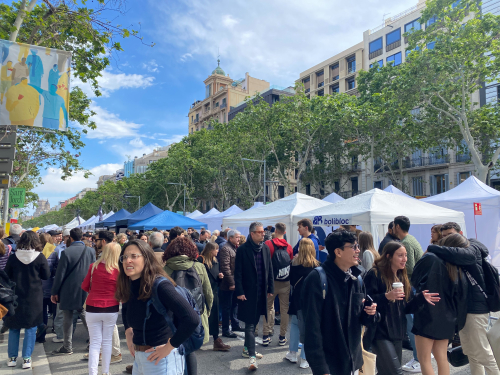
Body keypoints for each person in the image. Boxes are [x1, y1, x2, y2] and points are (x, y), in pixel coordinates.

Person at [427, 222, 500, 375]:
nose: (446, 239)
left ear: (460, 233)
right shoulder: (455, 252)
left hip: (476, 310)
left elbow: (467, 254)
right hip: (466, 311)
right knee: (472, 354)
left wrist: (433, 247)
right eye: (444, 236)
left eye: (450, 235)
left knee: (484, 354)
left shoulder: (471, 247)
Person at [301, 230, 378, 375]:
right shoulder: (317, 279)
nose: (358, 250)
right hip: (330, 363)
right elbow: (312, 328)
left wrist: (370, 313)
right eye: (354, 247)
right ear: (338, 252)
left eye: (358, 246)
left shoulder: (357, 278)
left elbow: (361, 320)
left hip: (353, 361)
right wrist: (321, 368)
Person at [117, 240, 199, 375]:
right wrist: (128, 332)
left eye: (134, 256)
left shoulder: (160, 285)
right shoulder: (129, 282)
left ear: (146, 258)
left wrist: (169, 346)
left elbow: (191, 319)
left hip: (161, 360)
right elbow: (126, 305)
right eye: (124, 257)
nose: (128, 261)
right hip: (139, 357)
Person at [364, 242, 440, 375]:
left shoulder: (402, 276)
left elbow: (407, 307)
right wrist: (386, 296)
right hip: (379, 330)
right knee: (395, 372)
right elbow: (366, 300)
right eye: (400, 255)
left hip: (398, 331)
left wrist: (421, 298)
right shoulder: (375, 274)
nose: (405, 259)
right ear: (388, 256)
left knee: (386, 371)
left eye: (405, 255)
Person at [409, 233, 468, 375]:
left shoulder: (431, 258)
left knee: (424, 360)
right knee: (441, 357)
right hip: (447, 316)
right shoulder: (457, 265)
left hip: (426, 313)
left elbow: (415, 280)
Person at [163, 236, 214, 375]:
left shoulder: (165, 269)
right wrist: (206, 311)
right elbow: (208, 293)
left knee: (172, 349)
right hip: (195, 315)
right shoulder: (199, 266)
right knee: (190, 350)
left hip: (172, 318)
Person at [4, 231, 50, 369]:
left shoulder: (13, 257)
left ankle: (12, 358)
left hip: (15, 296)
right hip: (34, 297)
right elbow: (46, 275)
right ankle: (27, 359)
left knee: (13, 327)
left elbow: (6, 276)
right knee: (31, 327)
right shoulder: (40, 257)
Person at [234, 222, 274, 371]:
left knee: (255, 321)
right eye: (260, 232)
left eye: (263, 232)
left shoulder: (265, 248)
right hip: (247, 294)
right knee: (250, 325)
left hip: (261, 293)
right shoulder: (243, 250)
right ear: (252, 234)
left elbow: (269, 269)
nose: (263, 234)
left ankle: (246, 349)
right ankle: (251, 357)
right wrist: (239, 291)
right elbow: (237, 272)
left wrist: (271, 287)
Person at [51, 228, 96, 356]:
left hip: (68, 289)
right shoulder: (90, 251)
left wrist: (54, 292)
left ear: (70, 238)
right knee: (85, 314)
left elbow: (60, 274)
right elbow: (93, 270)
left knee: (68, 317)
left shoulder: (66, 252)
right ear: (82, 236)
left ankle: (67, 346)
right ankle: (94, 341)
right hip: (85, 288)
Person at [81, 242, 121, 375]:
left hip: (92, 307)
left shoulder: (93, 267)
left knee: (94, 342)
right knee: (107, 341)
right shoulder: (119, 270)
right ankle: (105, 371)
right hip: (111, 307)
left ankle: (93, 372)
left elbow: (85, 286)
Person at [393, 215, 423, 373]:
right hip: (415, 287)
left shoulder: (405, 242)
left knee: (412, 325)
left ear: (397, 226)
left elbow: (409, 267)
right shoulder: (411, 239)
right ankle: (421, 356)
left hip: (411, 287)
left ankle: (418, 359)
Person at [285, 238, 319, 369]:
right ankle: (305, 358)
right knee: (309, 327)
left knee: (294, 324)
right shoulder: (317, 266)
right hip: (311, 299)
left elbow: (291, 281)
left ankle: (292, 353)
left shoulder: (293, 264)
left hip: (297, 297)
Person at [263, 222, 293, 347]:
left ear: (275, 231)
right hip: (285, 281)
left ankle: (266, 335)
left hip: (271, 282)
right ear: (285, 232)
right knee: (284, 309)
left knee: (268, 307)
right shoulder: (289, 247)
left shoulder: (268, 244)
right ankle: (282, 337)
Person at [201, 242, 230, 351]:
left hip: (213, 291)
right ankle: (203, 337)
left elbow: (215, 279)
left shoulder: (215, 261)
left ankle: (216, 339)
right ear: (210, 250)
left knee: (214, 316)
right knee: (204, 315)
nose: (217, 251)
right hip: (203, 292)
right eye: (216, 249)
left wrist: (220, 277)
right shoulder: (201, 260)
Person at [219, 229, 242, 338]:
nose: (239, 239)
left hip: (234, 282)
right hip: (227, 284)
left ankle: (235, 324)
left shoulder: (234, 248)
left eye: (239, 237)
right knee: (227, 307)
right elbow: (225, 267)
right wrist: (231, 283)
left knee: (234, 305)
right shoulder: (226, 248)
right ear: (230, 238)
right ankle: (225, 329)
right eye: (237, 237)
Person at [39, 233, 59, 343]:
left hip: (39, 285)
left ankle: (42, 332)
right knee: (54, 308)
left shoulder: (36, 252)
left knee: (42, 311)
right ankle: (55, 328)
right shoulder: (54, 251)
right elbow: (57, 268)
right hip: (51, 284)